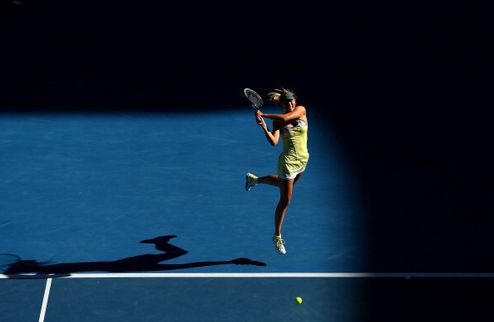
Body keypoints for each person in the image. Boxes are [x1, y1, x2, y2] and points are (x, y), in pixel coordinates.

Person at [245, 88, 309, 255]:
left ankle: (255, 180)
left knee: (287, 185)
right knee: (285, 201)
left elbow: (286, 118)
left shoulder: (301, 110)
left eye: (292, 100)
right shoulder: (277, 121)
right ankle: (277, 236)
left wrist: (264, 115)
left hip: (303, 160)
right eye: (287, 102)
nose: (291, 103)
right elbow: (274, 142)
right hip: (287, 163)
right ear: (282, 104)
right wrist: (264, 126)